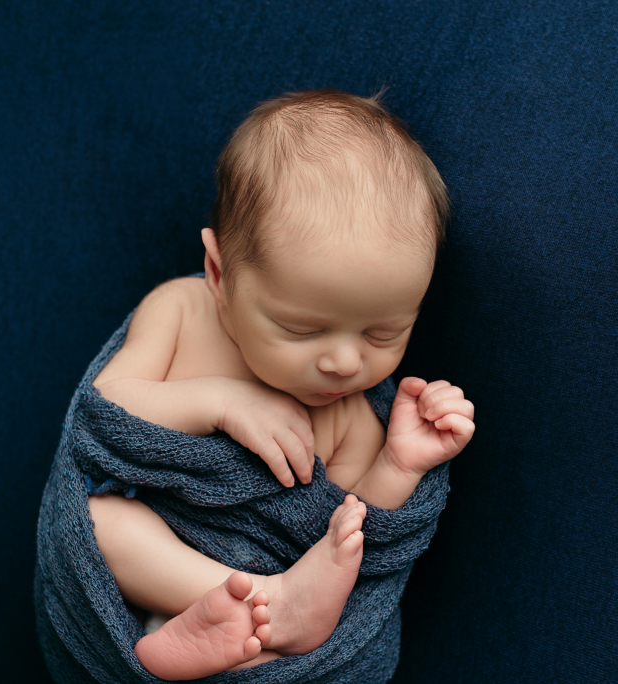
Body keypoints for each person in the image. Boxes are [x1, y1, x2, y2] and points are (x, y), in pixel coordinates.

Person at [87, 89, 475, 681]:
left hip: (264, 592)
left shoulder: (349, 413)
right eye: (301, 328)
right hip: (167, 570)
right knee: (101, 521)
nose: (344, 363)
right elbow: (108, 411)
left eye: (383, 334)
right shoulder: (181, 310)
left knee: (321, 601)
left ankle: (222, 640)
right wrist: (219, 402)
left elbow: (351, 533)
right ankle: (255, 606)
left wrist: (401, 461)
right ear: (219, 275)